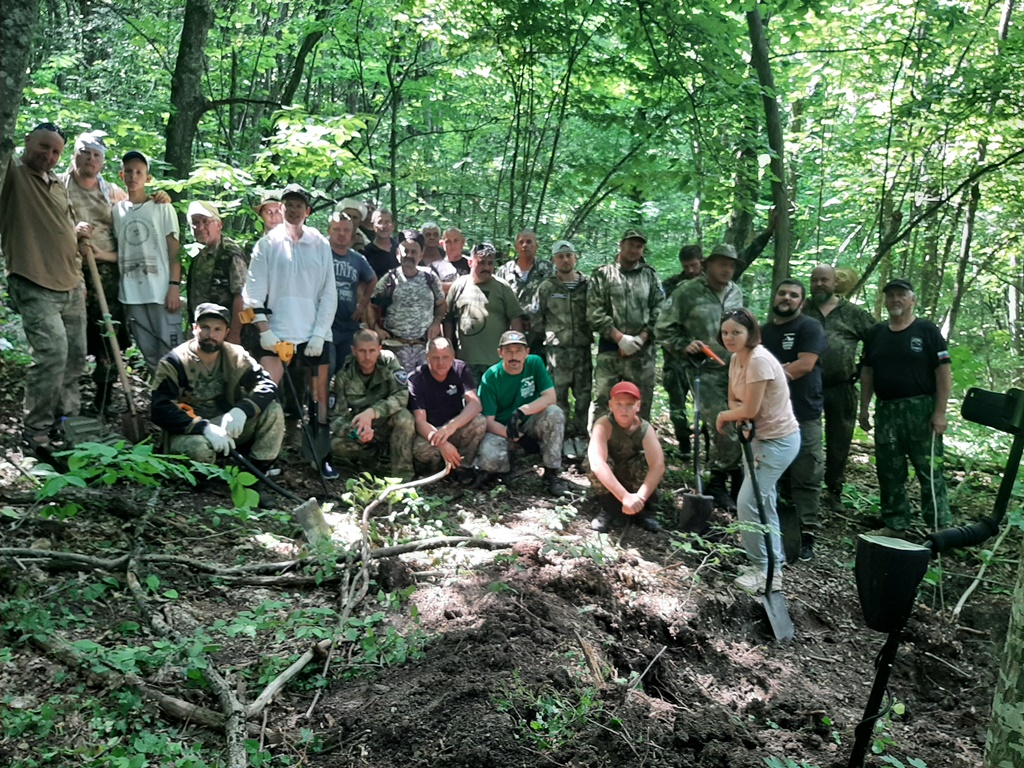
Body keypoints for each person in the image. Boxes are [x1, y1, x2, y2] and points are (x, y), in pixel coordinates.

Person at [0, 122, 87, 449]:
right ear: (26, 140)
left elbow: (60, 227)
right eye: (43, 147)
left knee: (76, 357)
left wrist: (77, 239)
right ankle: (35, 429)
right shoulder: (12, 172)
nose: (48, 156)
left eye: (55, 152)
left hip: (71, 283)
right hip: (33, 280)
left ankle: (66, 419)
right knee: (52, 353)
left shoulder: (57, 183)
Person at [243, 183, 338, 478]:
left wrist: (320, 332)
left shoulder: (320, 243)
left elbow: (329, 293)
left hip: (313, 335)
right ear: (280, 209)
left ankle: (320, 457)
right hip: (277, 334)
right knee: (267, 389)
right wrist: (265, 332)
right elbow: (252, 295)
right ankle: (262, 457)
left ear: (307, 211)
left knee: (319, 397)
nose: (294, 210)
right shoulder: (266, 245)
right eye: (289, 204)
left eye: (299, 205)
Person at [716, 308, 800, 595]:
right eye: (725, 332)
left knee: (748, 502)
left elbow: (749, 407)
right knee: (763, 502)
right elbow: (735, 398)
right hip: (757, 438)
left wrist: (726, 416)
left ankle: (767, 571)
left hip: (778, 441)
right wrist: (739, 416)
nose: (729, 338)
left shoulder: (759, 360)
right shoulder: (735, 358)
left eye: (736, 332)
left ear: (750, 333)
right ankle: (769, 564)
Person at [859, 279, 952, 536]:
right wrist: (864, 408)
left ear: (912, 300)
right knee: (889, 469)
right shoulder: (876, 333)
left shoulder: (926, 330)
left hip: (921, 410)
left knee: (930, 469)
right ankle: (896, 524)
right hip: (887, 410)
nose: (895, 300)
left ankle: (940, 528)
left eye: (901, 295)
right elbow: (867, 372)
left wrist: (940, 412)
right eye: (890, 296)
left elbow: (943, 372)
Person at [656, 242, 744, 509]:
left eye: (731, 265)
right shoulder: (687, 292)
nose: (726, 269)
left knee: (741, 425)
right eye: (721, 263)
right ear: (708, 265)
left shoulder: (736, 293)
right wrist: (684, 345)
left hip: (735, 370)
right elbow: (662, 328)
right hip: (703, 370)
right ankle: (718, 484)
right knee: (722, 427)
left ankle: (736, 484)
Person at [150, 303, 284, 469]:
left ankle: (258, 470)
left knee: (273, 410)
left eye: (217, 329)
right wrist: (203, 427)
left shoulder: (236, 355)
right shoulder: (174, 362)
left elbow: (266, 385)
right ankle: (206, 483)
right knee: (199, 450)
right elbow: (159, 408)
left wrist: (242, 410)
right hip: (188, 431)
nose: (210, 335)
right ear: (194, 328)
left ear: (226, 332)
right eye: (205, 328)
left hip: (227, 423)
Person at [59, 131, 130, 413]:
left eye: (96, 155)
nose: (90, 158)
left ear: (102, 162)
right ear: (74, 155)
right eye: (85, 152)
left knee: (108, 337)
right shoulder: (58, 186)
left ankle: (103, 400)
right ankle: (64, 404)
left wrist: (157, 200)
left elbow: (134, 221)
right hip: (67, 267)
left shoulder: (110, 191)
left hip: (107, 272)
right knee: (70, 336)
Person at [761, 279, 827, 562]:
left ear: (802, 301)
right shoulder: (762, 332)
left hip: (804, 412)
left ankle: (807, 532)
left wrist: (770, 376)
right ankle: (771, 530)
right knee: (772, 472)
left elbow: (805, 364)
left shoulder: (809, 327)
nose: (786, 297)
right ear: (774, 297)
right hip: (770, 415)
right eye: (782, 292)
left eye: (794, 294)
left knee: (806, 473)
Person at [805, 264, 876, 511]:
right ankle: (800, 488)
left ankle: (834, 491)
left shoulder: (853, 313)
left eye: (825, 280)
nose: (819, 285)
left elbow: (876, 338)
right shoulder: (802, 309)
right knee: (802, 438)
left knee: (839, 441)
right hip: (805, 386)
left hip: (841, 386)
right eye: (815, 280)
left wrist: (861, 365)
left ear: (835, 283)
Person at [112, 150, 182, 373]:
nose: (134, 176)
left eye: (139, 172)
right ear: (121, 175)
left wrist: (173, 286)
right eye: (129, 172)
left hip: (160, 291)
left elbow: (174, 251)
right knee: (149, 351)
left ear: (148, 178)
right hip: (132, 293)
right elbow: (122, 251)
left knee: (172, 351)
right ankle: (160, 400)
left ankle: (181, 401)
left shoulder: (162, 207)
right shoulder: (116, 211)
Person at [476, 331, 568, 495]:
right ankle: (506, 465)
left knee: (555, 413)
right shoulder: (490, 377)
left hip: (529, 421)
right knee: (490, 461)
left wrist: (521, 411)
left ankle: (552, 472)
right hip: (502, 429)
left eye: (518, 350)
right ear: (500, 353)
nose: (514, 356)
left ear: (527, 352)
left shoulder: (534, 363)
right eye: (509, 351)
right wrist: (519, 437)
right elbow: (488, 421)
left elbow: (550, 397)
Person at [587, 228, 663, 421]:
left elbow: (660, 310)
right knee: (604, 401)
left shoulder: (650, 276)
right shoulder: (602, 275)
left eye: (639, 246)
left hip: (642, 352)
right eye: (631, 244)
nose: (634, 249)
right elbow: (594, 312)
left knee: (640, 402)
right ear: (621, 245)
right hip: (610, 350)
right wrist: (619, 338)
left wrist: (641, 338)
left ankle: (637, 446)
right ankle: (599, 445)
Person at [329, 329, 416, 481]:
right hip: (361, 430)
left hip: (385, 423)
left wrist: (373, 412)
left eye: (372, 351)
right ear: (354, 351)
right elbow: (336, 418)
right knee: (335, 445)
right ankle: (370, 459)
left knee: (404, 417)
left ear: (379, 350)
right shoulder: (344, 375)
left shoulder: (389, 362)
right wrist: (356, 431)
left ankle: (403, 476)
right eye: (362, 351)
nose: (367, 357)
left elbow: (402, 396)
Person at [532, 240, 592, 454]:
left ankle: (582, 436)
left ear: (575, 257)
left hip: (582, 349)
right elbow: (537, 317)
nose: (565, 260)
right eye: (560, 256)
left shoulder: (588, 285)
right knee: (559, 395)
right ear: (554, 260)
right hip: (557, 351)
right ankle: (563, 438)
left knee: (584, 395)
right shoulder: (547, 286)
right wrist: (551, 336)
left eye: (569, 255)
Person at [587, 381, 665, 533]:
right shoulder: (603, 425)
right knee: (592, 462)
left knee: (645, 462)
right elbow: (597, 463)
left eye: (629, 404)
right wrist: (624, 497)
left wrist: (640, 499)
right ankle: (609, 508)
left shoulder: (645, 429)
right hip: (611, 478)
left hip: (634, 481)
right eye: (619, 404)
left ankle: (641, 511)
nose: (624, 410)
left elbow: (658, 465)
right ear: (610, 405)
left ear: (638, 406)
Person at [445, 242, 527, 382]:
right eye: (481, 263)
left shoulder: (502, 287)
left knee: (494, 401)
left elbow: (515, 318)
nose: (486, 267)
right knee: (469, 401)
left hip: (495, 360)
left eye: (490, 263)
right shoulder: (459, 285)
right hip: (466, 359)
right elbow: (448, 319)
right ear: (470, 262)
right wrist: (449, 347)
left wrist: (515, 348)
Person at [368, 230, 447, 373]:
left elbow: (441, 305)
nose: (409, 255)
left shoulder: (430, 278)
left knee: (424, 390)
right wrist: (376, 329)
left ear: (421, 255)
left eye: (414, 252)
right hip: (395, 348)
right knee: (398, 390)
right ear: (398, 253)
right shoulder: (389, 279)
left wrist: (436, 323)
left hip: (424, 347)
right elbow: (371, 306)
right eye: (405, 251)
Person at [408, 337, 486, 476]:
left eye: (445, 357)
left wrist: (451, 427)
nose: (441, 362)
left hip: (454, 426)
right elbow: (420, 421)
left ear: (453, 356)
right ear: (427, 357)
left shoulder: (460, 368)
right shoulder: (416, 379)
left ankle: (463, 468)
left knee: (479, 421)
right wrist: (441, 443)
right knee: (420, 450)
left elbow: (475, 404)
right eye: (435, 357)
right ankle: (438, 472)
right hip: (432, 432)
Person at [185, 201, 249, 346]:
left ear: (219, 225)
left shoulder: (230, 253)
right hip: (205, 332)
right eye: (195, 223)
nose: (200, 227)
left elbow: (241, 296)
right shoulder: (199, 256)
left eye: (205, 222)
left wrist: (234, 334)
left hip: (225, 332)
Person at [661, 243, 704, 454]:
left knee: (707, 404)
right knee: (677, 403)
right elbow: (660, 320)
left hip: (705, 356)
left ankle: (709, 446)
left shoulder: (712, 284)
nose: (690, 271)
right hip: (675, 355)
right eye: (685, 266)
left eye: (694, 265)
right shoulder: (671, 286)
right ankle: (684, 445)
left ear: (702, 262)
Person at [327, 210, 376, 373]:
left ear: (352, 233)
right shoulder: (321, 254)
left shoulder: (357, 259)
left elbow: (372, 279)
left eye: (346, 230)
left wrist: (362, 305)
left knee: (346, 370)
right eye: (337, 229)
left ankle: (341, 399)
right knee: (327, 368)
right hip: (326, 325)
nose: (341, 234)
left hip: (349, 325)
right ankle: (321, 399)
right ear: (329, 231)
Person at [496, 228, 555, 311]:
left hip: (539, 321)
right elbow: (496, 300)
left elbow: (555, 297)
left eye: (529, 242)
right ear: (516, 247)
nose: (524, 245)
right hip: (512, 321)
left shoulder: (547, 268)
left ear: (536, 246)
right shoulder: (504, 271)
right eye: (521, 242)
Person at [362, 209, 399, 278]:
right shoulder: (365, 253)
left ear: (393, 225)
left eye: (387, 222)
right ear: (373, 225)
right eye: (379, 222)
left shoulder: (400, 248)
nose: (383, 226)